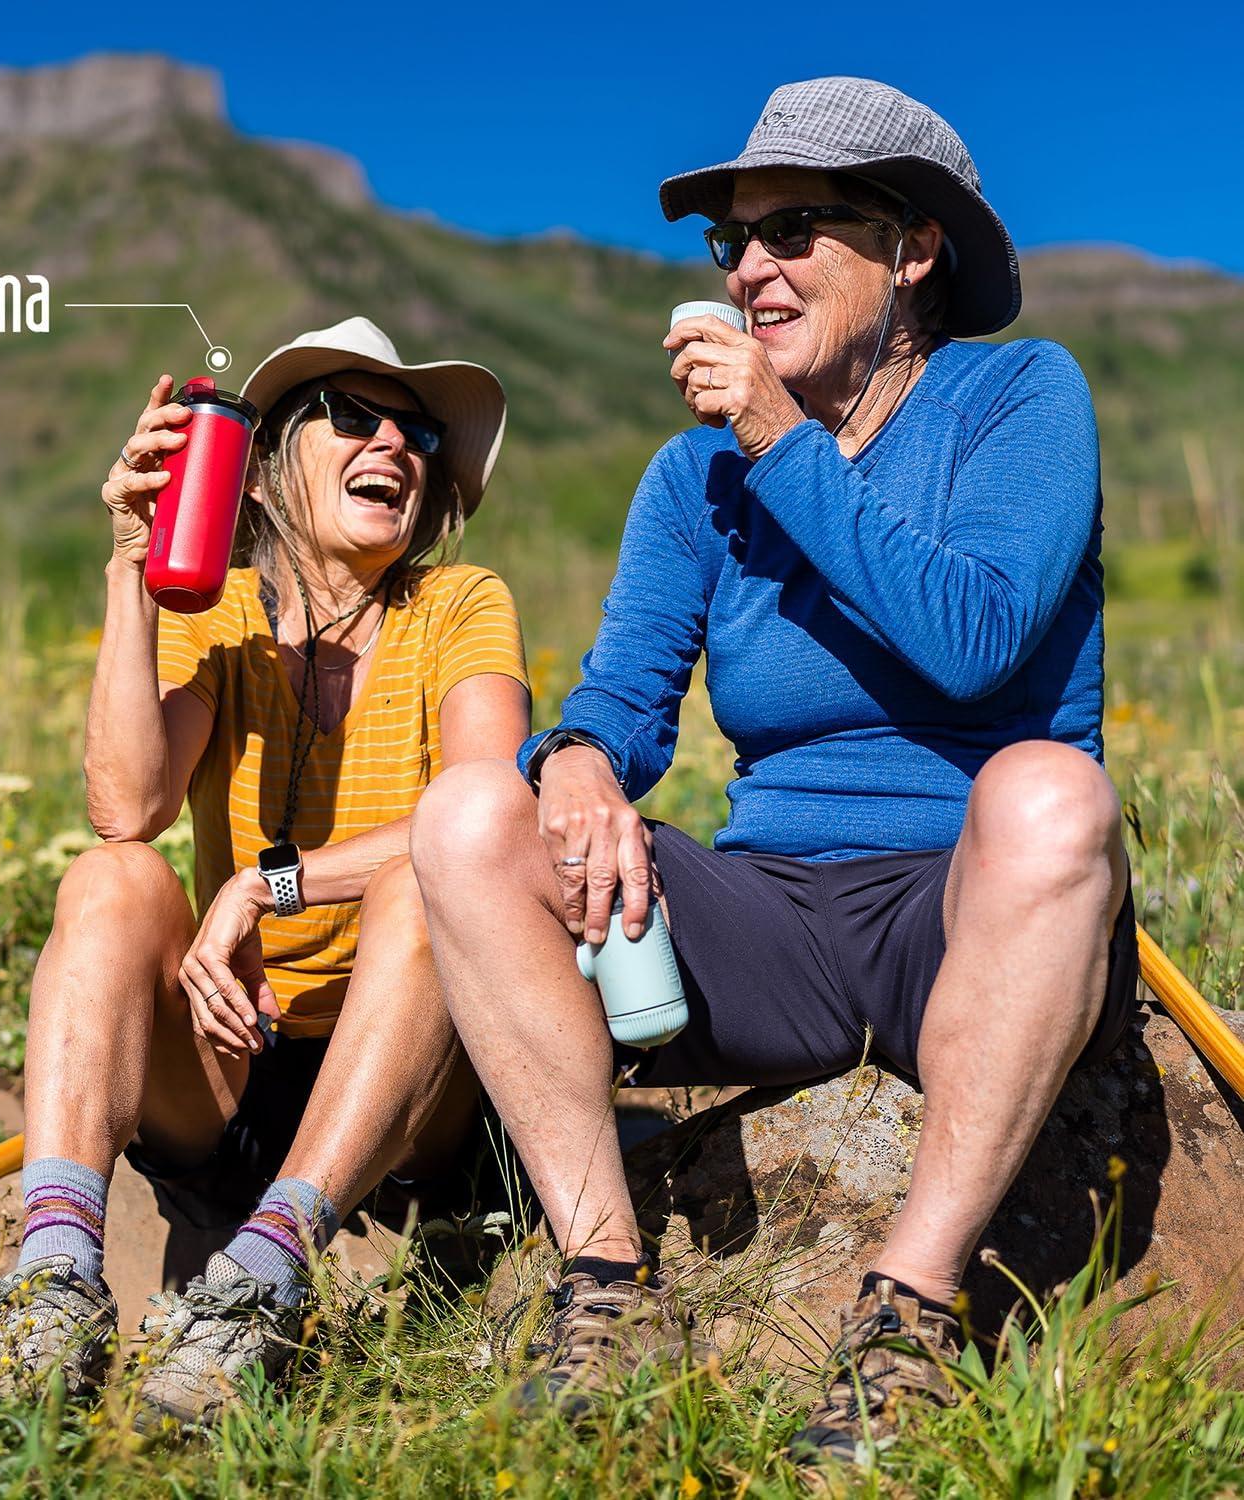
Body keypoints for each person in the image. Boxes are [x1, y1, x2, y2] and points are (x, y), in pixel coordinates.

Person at [410, 77, 1138, 1468]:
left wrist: (779, 443)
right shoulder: (694, 483)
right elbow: (626, 698)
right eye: (731, 241)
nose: (750, 267)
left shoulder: (1020, 399)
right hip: (775, 919)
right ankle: (603, 1281)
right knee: (467, 814)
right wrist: (570, 764)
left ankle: (907, 1316)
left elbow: (977, 643)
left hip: (970, 918)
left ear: (914, 248)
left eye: (797, 227)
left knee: (1054, 796)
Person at [0, 317, 530, 1432]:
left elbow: (488, 809)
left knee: (428, 882)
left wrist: (267, 886)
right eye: (355, 416)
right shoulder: (219, 615)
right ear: (268, 464)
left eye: (418, 430)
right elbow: (125, 807)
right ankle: (54, 1285)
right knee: (110, 880)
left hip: (408, 1092)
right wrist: (133, 570)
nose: (397, 443)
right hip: (226, 1067)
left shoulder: (461, 606)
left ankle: (262, 1282)